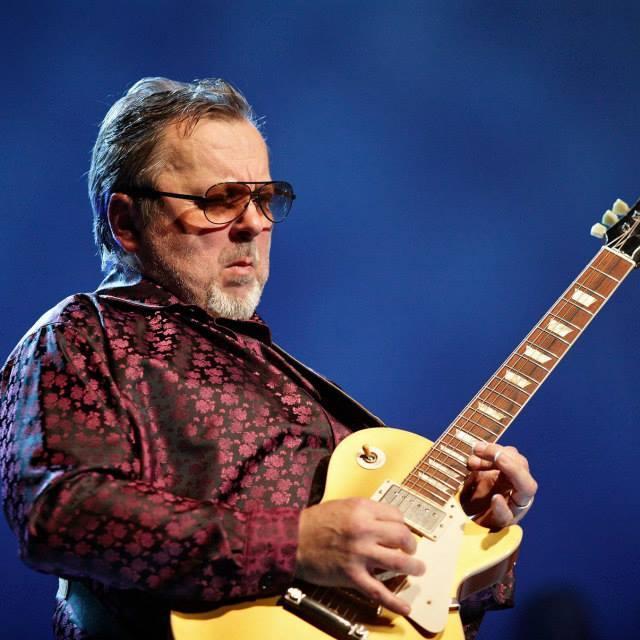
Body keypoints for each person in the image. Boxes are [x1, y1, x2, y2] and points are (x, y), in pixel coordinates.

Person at [0, 77, 538, 640]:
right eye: (220, 200)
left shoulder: (297, 386)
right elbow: (61, 514)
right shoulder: (81, 334)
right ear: (127, 222)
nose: (255, 223)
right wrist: (294, 544)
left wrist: (467, 532)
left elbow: (415, 606)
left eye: (263, 199)